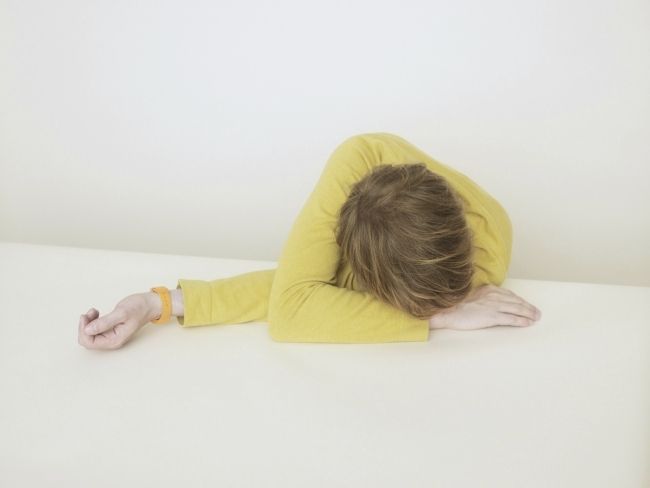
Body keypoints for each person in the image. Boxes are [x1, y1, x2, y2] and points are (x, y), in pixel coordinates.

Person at [78, 132, 542, 350]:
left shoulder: (491, 247)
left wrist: (160, 303)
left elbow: (297, 298)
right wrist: (153, 303)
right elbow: (294, 304)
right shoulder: (354, 164)